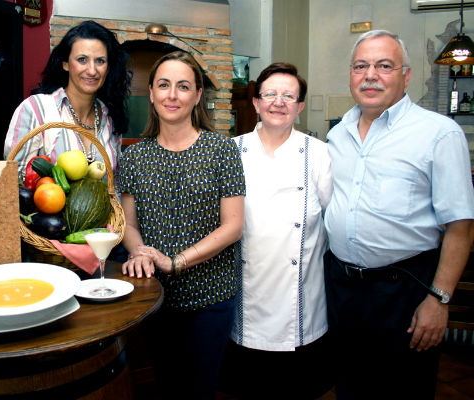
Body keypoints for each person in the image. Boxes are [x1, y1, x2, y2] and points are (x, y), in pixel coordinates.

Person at [324, 29, 474, 400]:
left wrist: (438, 300)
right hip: (341, 290)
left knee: (404, 390)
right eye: (361, 66)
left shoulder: (439, 134)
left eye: (384, 65)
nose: (370, 75)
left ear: (406, 75)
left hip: (405, 291)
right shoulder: (337, 135)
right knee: (349, 387)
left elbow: (461, 227)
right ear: (350, 75)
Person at [118, 51, 245, 399]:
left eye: (183, 86)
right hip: (155, 297)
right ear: (152, 93)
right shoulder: (132, 157)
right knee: (166, 384)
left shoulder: (222, 151)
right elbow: (128, 225)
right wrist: (139, 252)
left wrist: (177, 262)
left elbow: (233, 226)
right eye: (164, 85)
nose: (172, 95)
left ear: (197, 96)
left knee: (200, 388)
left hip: (211, 295)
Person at [221, 62, 333, 399]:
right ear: (255, 102)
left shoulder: (320, 154)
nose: (278, 102)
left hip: (300, 301)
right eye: (270, 94)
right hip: (248, 297)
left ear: (299, 107)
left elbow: (335, 219)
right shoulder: (231, 151)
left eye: (288, 96)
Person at [3, 20, 131, 184]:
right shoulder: (35, 109)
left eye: (100, 61)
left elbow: (115, 186)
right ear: (66, 64)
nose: (92, 70)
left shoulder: (110, 118)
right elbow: (14, 184)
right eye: (82, 59)